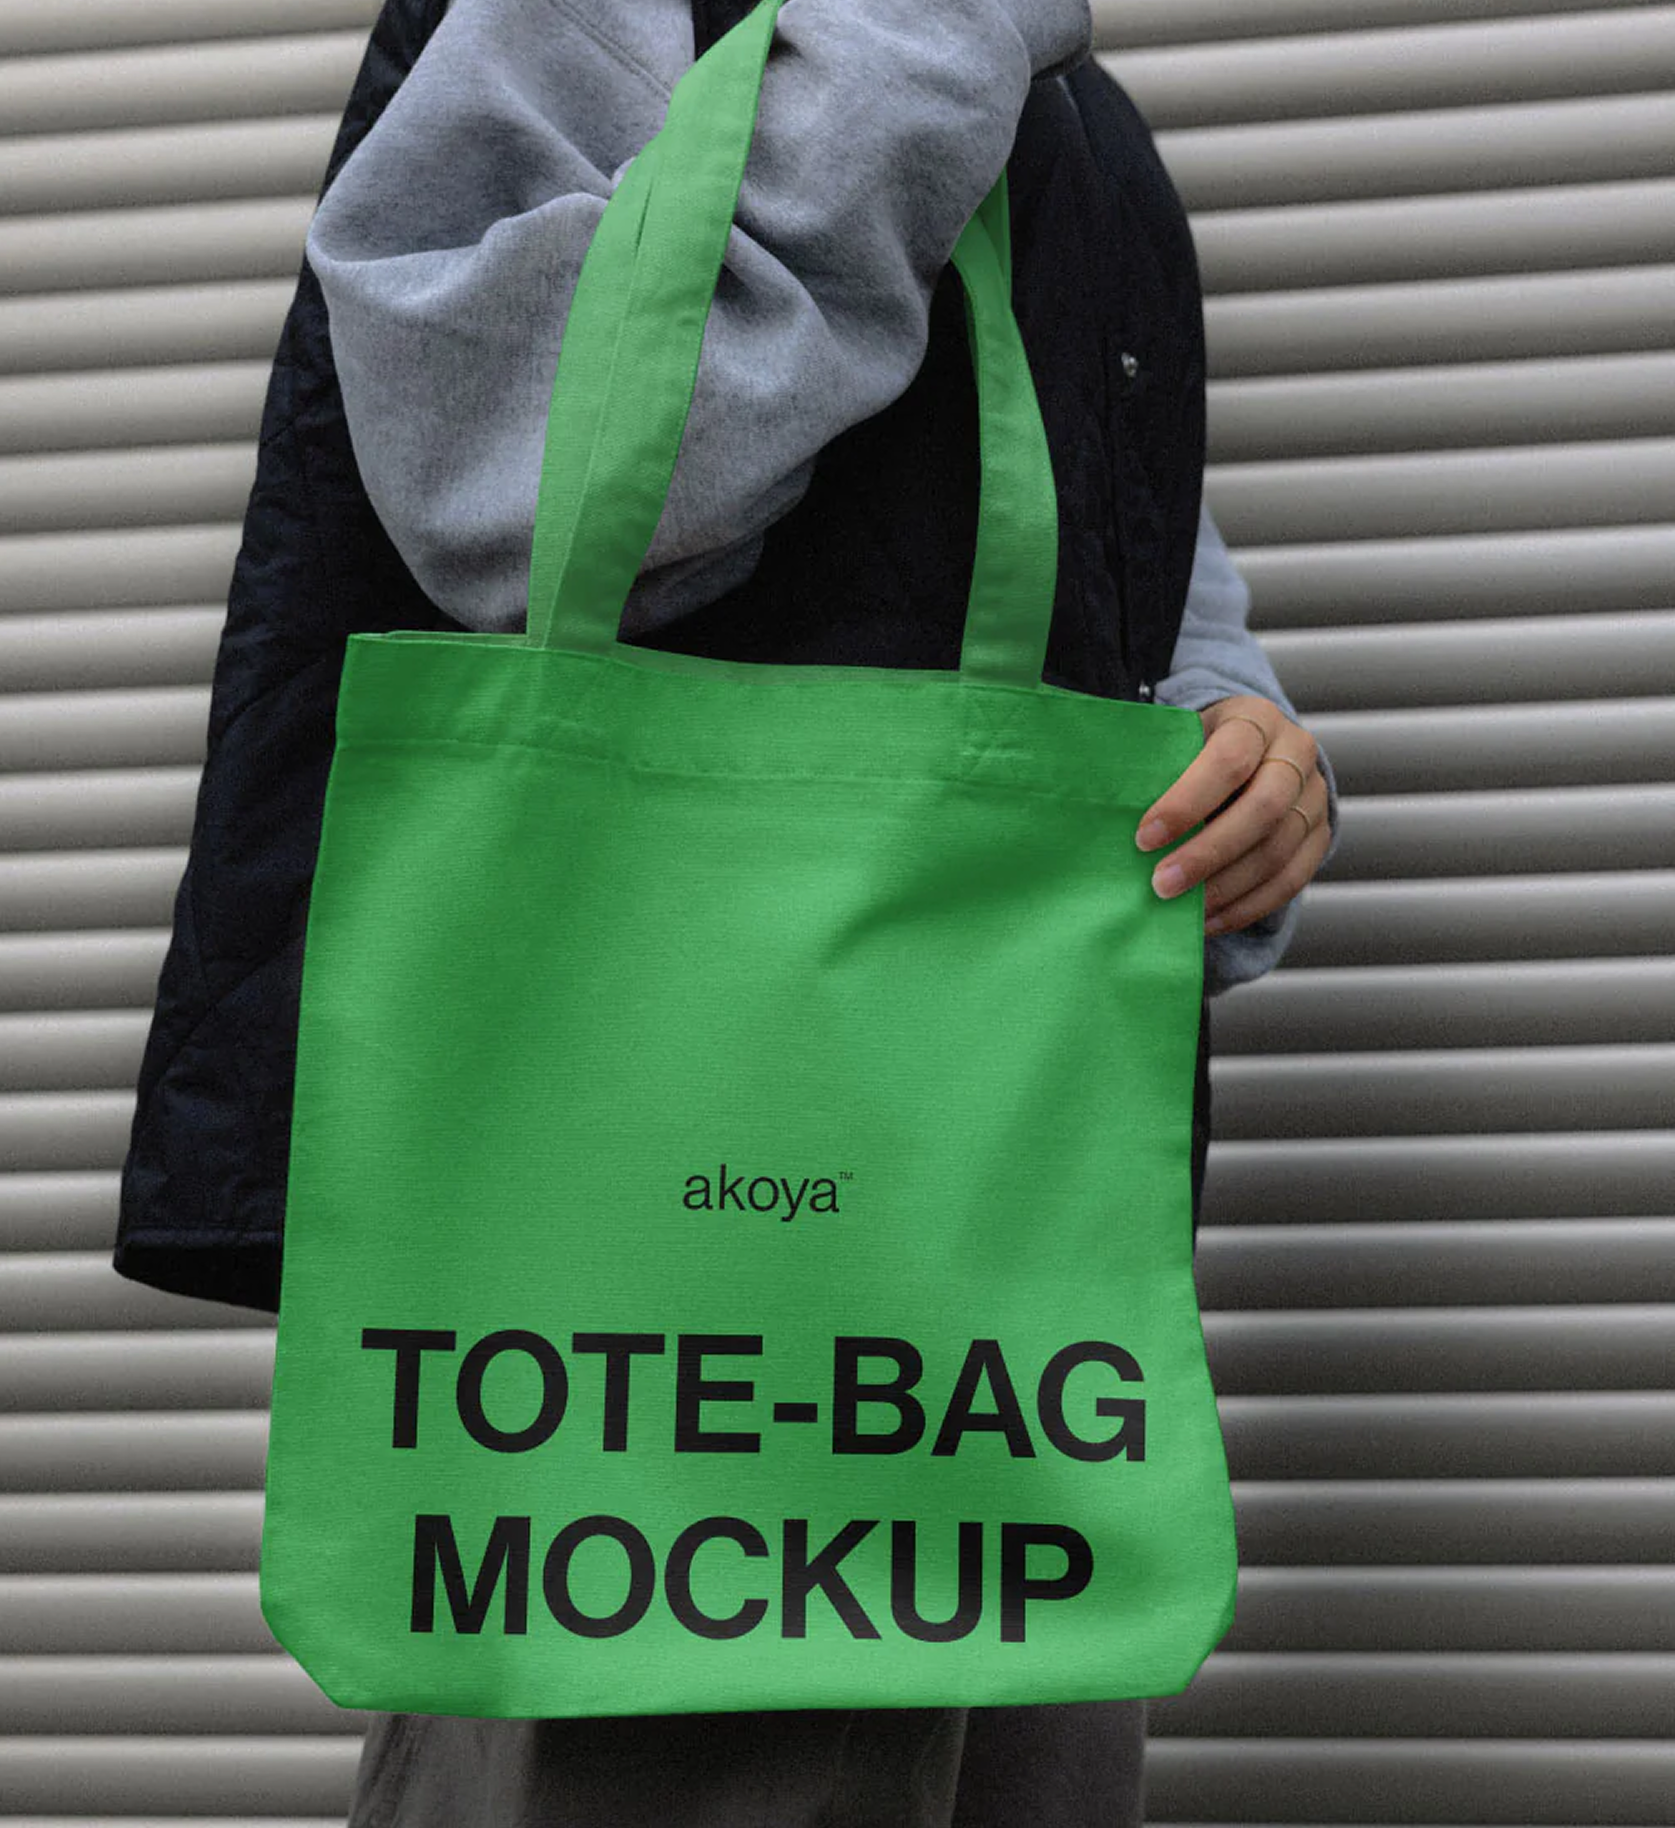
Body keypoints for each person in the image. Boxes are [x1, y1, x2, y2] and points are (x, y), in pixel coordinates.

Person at [115, 0, 1338, 1821]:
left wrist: (1231, 737)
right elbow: (518, 481)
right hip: (677, 1281)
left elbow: (1113, 528)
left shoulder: (1057, 90)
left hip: (988, 1274)